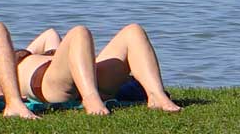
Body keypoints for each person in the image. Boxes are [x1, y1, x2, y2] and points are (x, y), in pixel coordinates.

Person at [12, 23, 181, 114]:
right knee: (80, 32)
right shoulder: (1, 73)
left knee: (133, 31)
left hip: (83, 74)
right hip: (48, 82)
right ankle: (90, 98)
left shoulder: (49, 48)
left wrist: (27, 51)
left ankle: (156, 96)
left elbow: (49, 33)